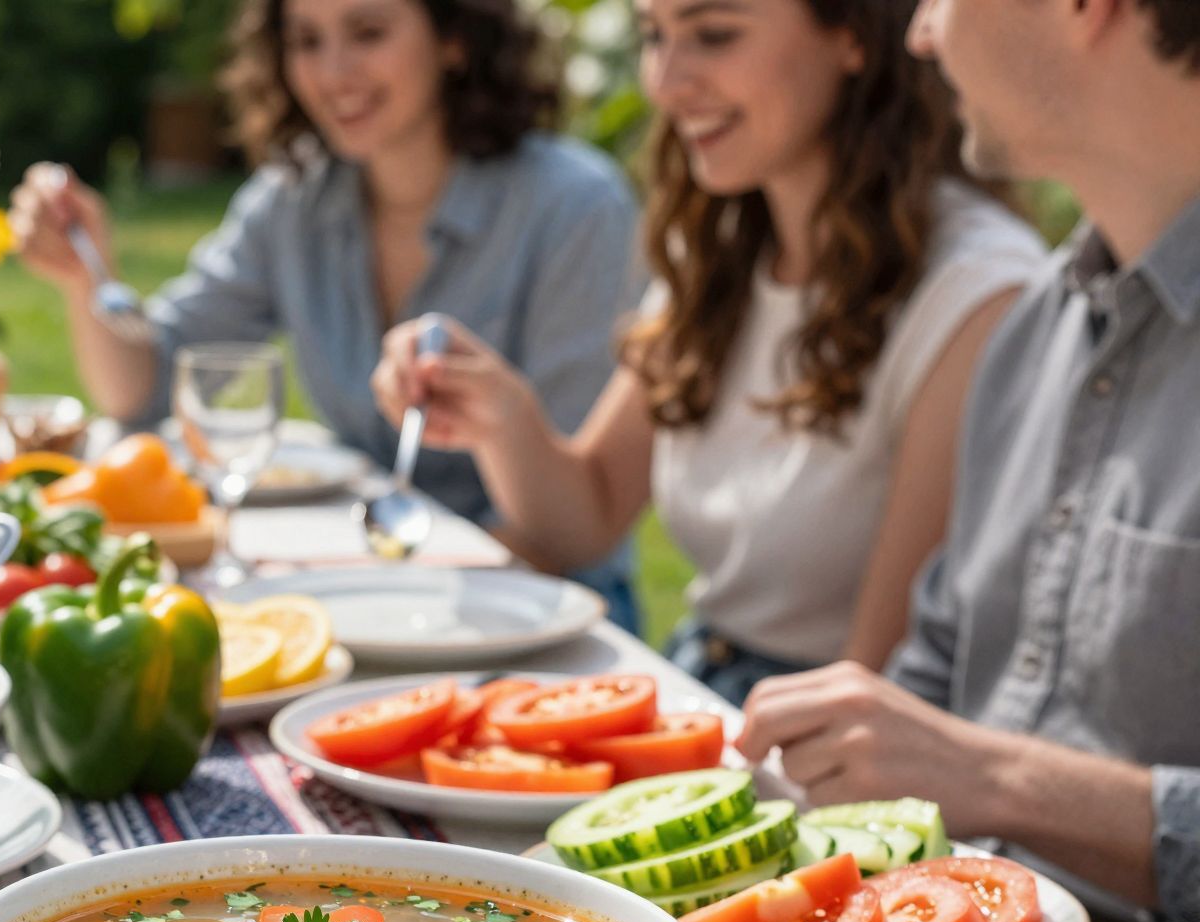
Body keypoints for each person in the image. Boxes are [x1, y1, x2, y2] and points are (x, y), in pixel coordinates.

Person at [374, 0, 1043, 703]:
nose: (665, 83)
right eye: (653, 35)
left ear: (853, 36)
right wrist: (499, 415)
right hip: (697, 679)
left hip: (820, 725)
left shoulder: (973, 294)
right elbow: (589, 516)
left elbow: (876, 688)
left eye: (714, 35)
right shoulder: (724, 245)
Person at [736, 0, 1200, 922]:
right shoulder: (1035, 329)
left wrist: (1000, 780)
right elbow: (939, 665)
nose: (920, 33)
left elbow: (965, 756)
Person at [9, 0, 646, 632]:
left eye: (367, 33)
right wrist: (86, 275)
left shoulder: (575, 208)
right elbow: (147, 384)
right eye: (306, 41)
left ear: (454, 38)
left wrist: (367, 588)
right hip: (378, 593)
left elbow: (570, 530)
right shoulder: (297, 199)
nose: (333, 73)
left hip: (551, 613)